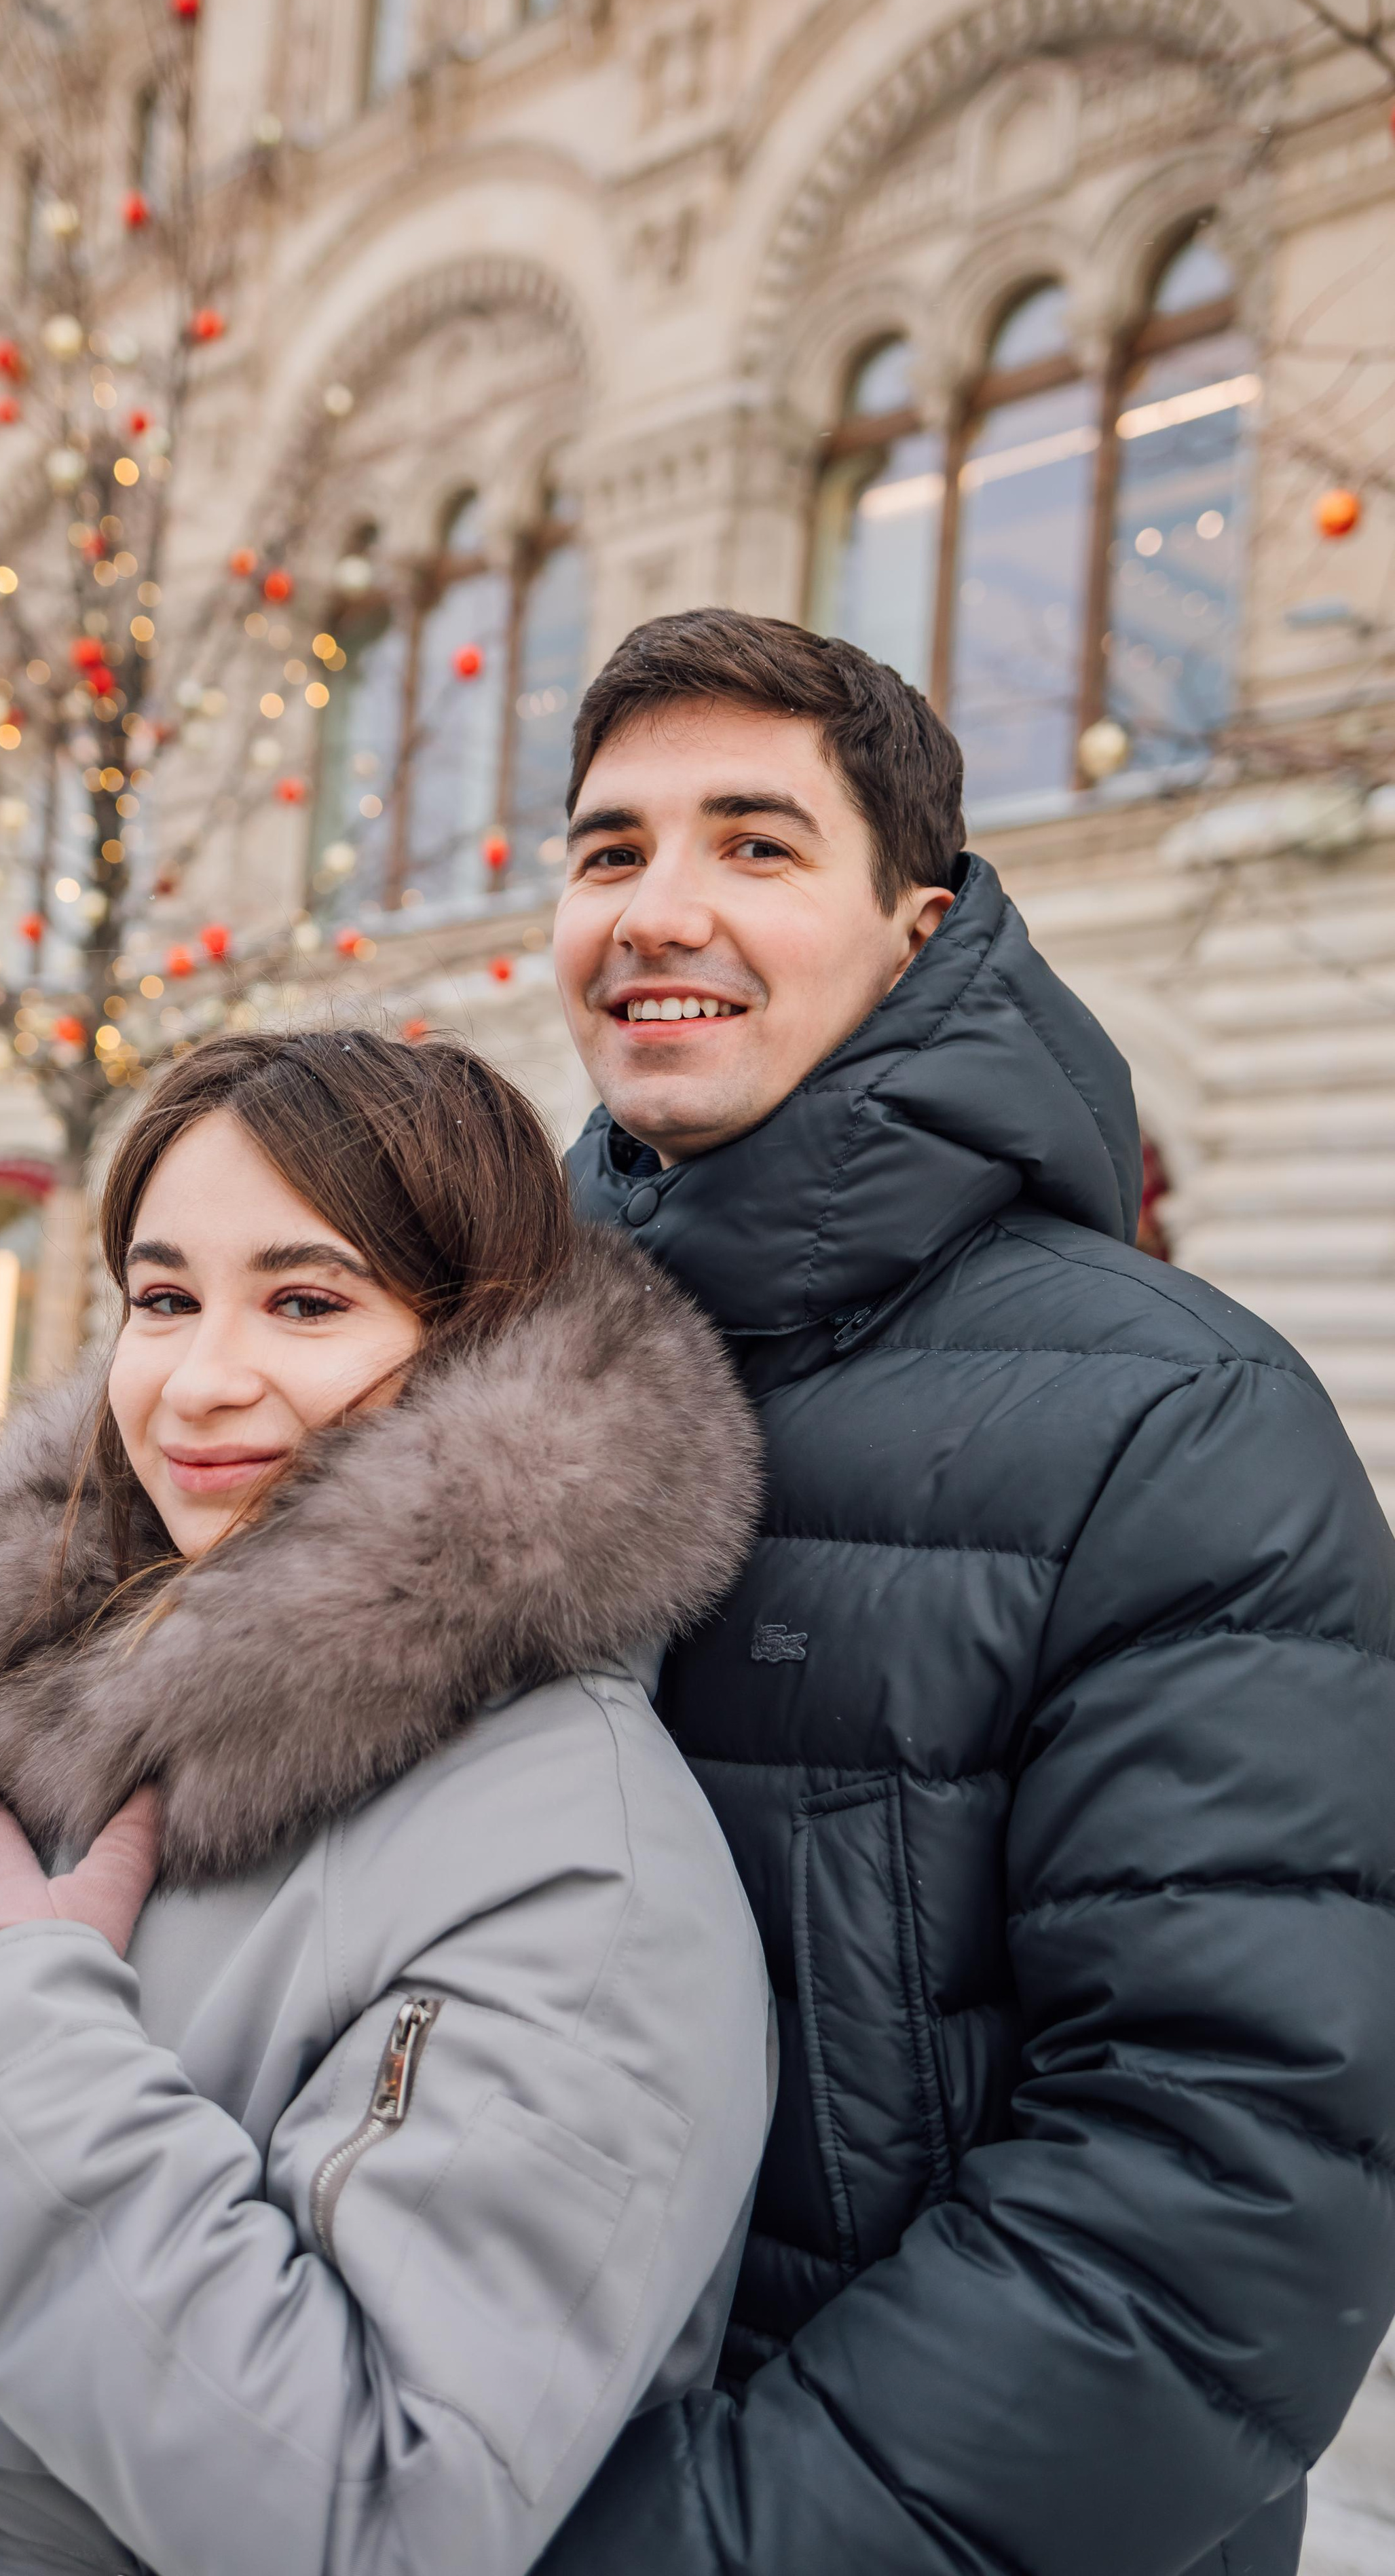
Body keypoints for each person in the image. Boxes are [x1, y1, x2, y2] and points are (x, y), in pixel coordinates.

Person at [0, 1031, 774, 2576]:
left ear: (478, 1345)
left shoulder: (575, 1862)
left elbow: (378, 2520)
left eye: (306, 1299)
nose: (199, 1378)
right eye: (163, 1296)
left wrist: (20, 2038)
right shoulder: (113, 1708)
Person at [536, 609, 1395, 2576]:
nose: (661, 906)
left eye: (756, 843)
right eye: (612, 850)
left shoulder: (1180, 1422)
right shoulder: (473, 1371)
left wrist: (706, 2546)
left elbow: (1217, 2194)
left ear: (921, 928)